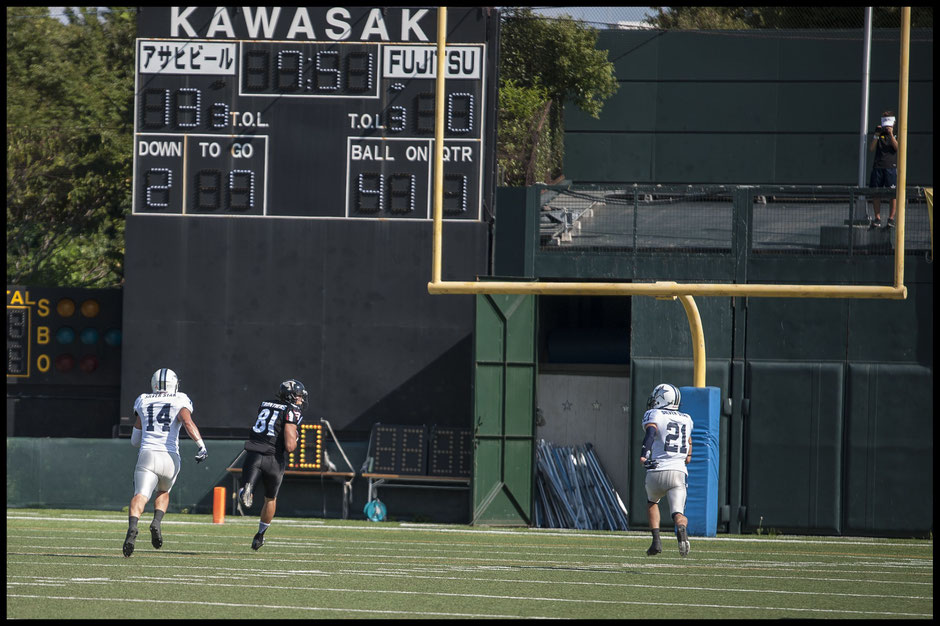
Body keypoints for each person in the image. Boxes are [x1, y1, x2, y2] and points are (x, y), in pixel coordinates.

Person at [123, 368, 208, 557]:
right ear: (174, 383)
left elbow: (134, 441)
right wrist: (201, 445)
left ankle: (133, 527)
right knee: (163, 491)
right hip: (170, 457)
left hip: (148, 454)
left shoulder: (143, 400)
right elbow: (187, 422)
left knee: (140, 495)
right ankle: (156, 522)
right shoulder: (180, 399)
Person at [237, 379, 307, 550]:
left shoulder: (265, 404)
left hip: (254, 454)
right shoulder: (292, 410)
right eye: (299, 396)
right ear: (290, 396)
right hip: (274, 459)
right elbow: (290, 447)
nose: (301, 400)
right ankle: (260, 535)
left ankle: (246, 491)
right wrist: (296, 438)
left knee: (246, 489)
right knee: (271, 499)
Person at [639, 383, 693, 557]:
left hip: (656, 470)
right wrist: (687, 457)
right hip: (678, 472)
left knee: (652, 502)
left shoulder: (654, 414)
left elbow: (650, 434)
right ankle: (681, 528)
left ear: (662, 398)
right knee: (678, 513)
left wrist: (644, 454)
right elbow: (689, 447)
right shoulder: (686, 418)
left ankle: (656, 541)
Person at [868, 110, 899, 229]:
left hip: (891, 167)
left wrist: (891, 134)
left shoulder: (896, 132)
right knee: (876, 193)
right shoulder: (879, 132)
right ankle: (877, 218)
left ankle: (891, 218)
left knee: (892, 193)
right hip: (878, 166)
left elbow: (897, 148)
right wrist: (877, 134)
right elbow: (871, 148)